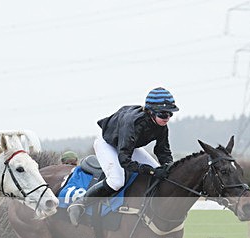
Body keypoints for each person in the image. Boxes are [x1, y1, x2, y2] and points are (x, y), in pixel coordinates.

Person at [67, 87, 178, 226]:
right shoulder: (132, 123)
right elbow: (125, 161)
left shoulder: (161, 126)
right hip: (108, 144)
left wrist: (169, 167)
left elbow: (163, 151)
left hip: (128, 145)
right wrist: (151, 171)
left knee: (160, 174)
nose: (167, 118)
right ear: (150, 111)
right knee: (117, 181)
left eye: (170, 114)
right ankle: (80, 203)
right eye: (163, 114)